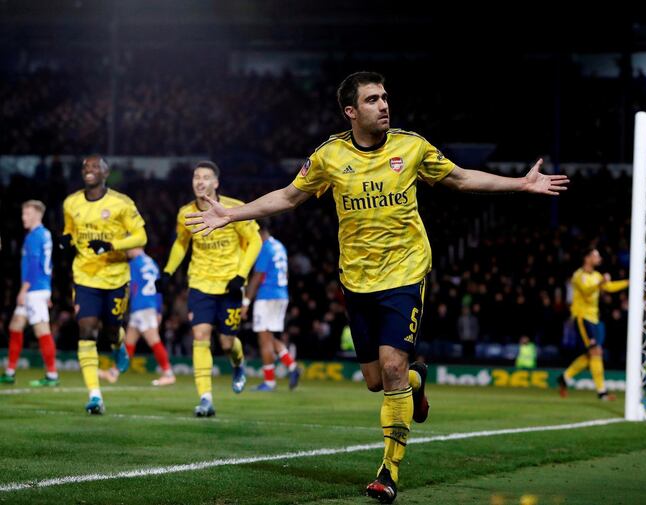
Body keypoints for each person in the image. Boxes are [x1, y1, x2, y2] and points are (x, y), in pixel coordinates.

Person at [184, 71, 569, 503]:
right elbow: (289, 197)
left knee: (390, 370)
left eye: (385, 97)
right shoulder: (329, 156)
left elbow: (460, 178)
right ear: (351, 111)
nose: (384, 105)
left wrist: (520, 183)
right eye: (372, 100)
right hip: (356, 281)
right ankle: (416, 384)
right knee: (375, 381)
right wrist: (233, 215)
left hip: (405, 273)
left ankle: (389, 472)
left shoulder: (412, 146)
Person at [161, 161, 260, 417]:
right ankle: (205, 398)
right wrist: (168, 271)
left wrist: (240, 275)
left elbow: (255, 240)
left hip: (229, 283)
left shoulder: (234, 208)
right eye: (196, 177)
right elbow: (181, 244)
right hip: (200, 282)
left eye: (205, 177)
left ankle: (238, 364)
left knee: (227, 343)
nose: (200, 181)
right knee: (201, 336)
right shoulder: (186, 213)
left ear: (216, 183)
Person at [62, 155, 147, 414]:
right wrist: (65, 240)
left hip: (115, 276)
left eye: (94, 167)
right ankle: (95, 395)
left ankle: (119, 344)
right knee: (87, 330)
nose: (88, 170)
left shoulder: (121, 203)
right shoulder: (71, 202)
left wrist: (112, 245)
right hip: (85, 276)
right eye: (85, 166)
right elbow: (70, 232)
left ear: (105, 173)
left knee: (111, 331)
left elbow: (141, 236)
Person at [0, 200, 58, 387]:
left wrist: (23, 291)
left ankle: (51, 375)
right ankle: (10, 372)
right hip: (40, 288)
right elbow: (47, 264)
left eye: (27, 214)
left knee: (42, 330)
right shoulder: (45, 234)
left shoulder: (34, 236)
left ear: (36, 215)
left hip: (33, 290)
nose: (23, 217)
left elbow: (34, 266)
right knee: (15, 326)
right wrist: (47, 291)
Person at [558, 248, 628, 400]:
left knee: (591, 354)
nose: (599, 258)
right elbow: (586, 291)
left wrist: (628, 282)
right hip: (582, 318)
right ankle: (602, 392)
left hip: (594, 319)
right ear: (587, 258)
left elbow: (608, 287)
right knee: (596, 351)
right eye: (596, 255)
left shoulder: (596, 275)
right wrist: (601, 282)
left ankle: (564, 377)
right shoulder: (579, 275)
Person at [99, 248, 175, 386]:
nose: (126, 251)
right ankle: (113, 373)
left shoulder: (134, 263)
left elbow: (130, 286)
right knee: (129, 342)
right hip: (149, 305)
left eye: (128, 248)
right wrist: (158, 309)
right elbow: (158, 288)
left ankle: (168, 373)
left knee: (153, 340)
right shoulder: (151, 262)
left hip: (141, 305)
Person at [242, 227, 300, 391]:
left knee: (264, 339)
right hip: (281, 295)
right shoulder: (279, 246)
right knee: (269, 336)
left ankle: (269, 382)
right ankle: (292, 366)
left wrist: (246, 302)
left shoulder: (265, 248)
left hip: (267, 296)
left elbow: (257, 277)